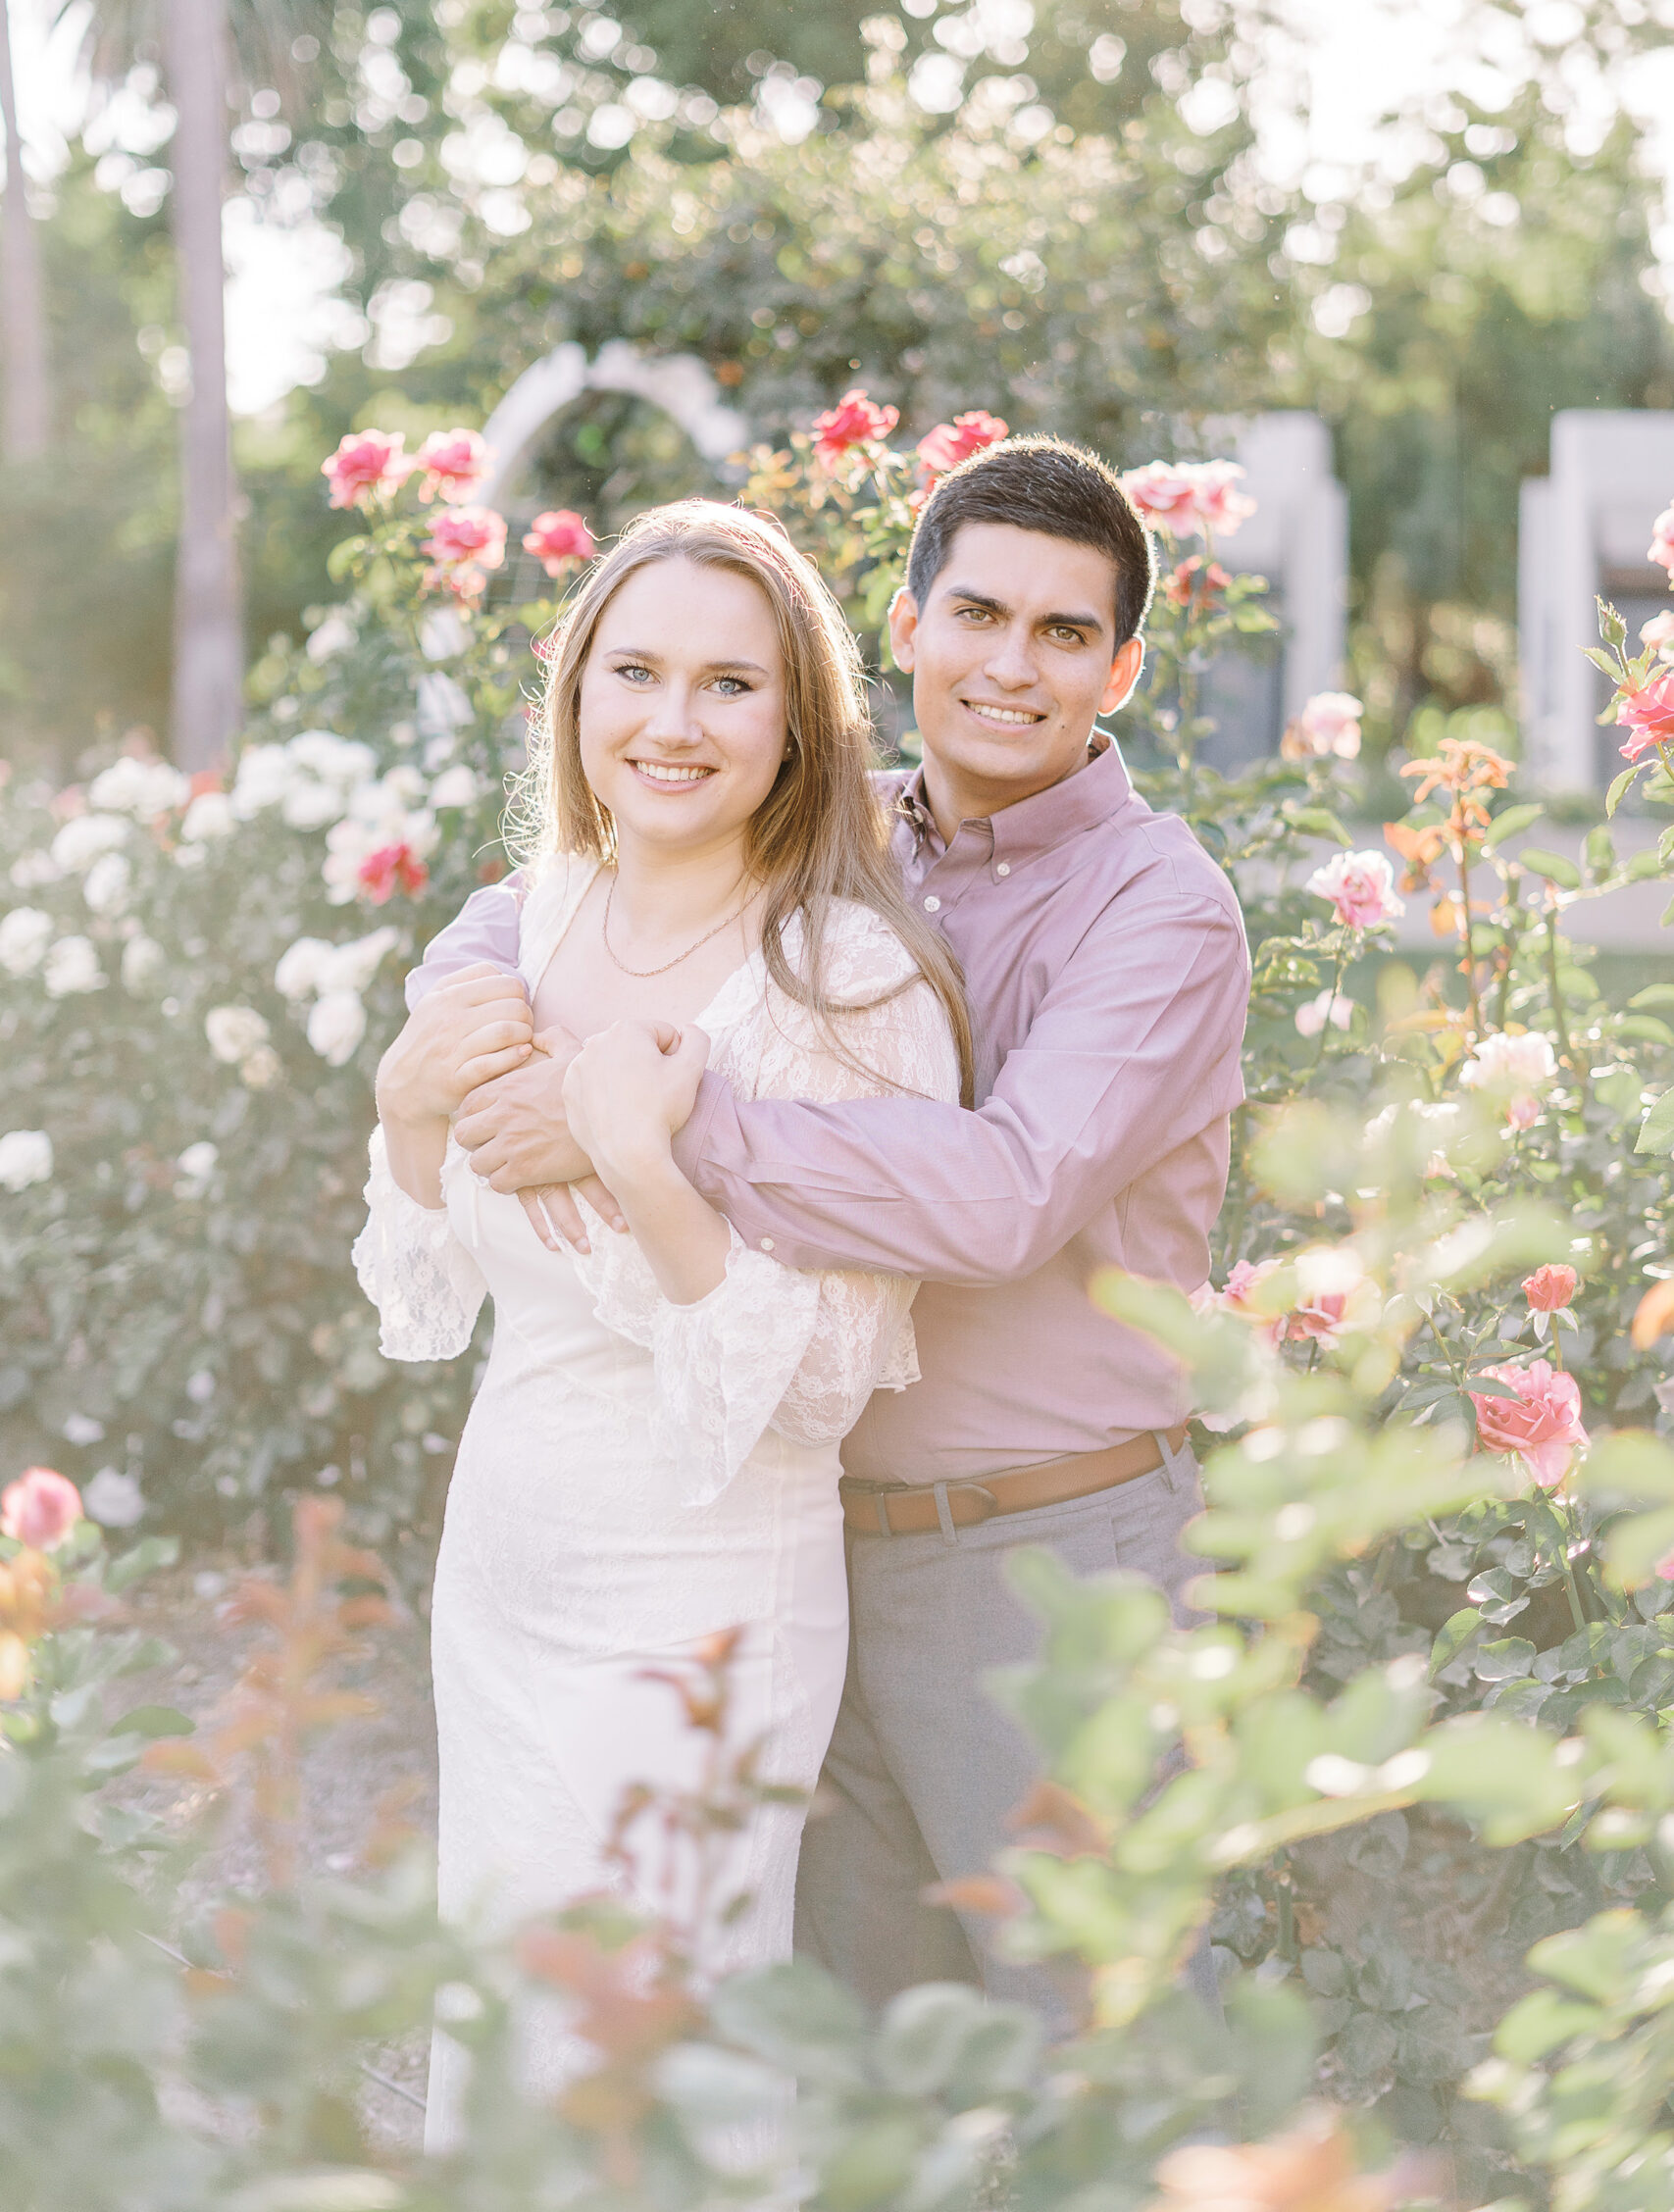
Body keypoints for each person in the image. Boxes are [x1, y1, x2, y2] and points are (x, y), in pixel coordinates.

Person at [414, 436, 1250, 2026]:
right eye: (980, 614)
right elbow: (549, 892)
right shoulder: (847, 830)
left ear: (1122, 667)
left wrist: (667, 1123)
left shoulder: (1162, 906)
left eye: (1065, 635)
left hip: (1042, 1556)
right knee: (850, 2080)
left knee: (1122, 2061)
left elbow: (1005, 1194)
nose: (1011, 666)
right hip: (795, 1546)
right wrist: (465, 1008)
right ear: (909, 622)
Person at [354, 501, 966, 2145]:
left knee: (657, 2047)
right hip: (505, 1568)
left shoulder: (850, 981)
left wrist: (642, 1156)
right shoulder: (529, 924)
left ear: (796, 726)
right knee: (505, 2026)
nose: (672, 723)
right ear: (574, 695)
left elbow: (824, 1386)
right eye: (634, 671)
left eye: (726, 684)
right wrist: (411, 1114)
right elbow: (428, 1293)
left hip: (704, 1589)